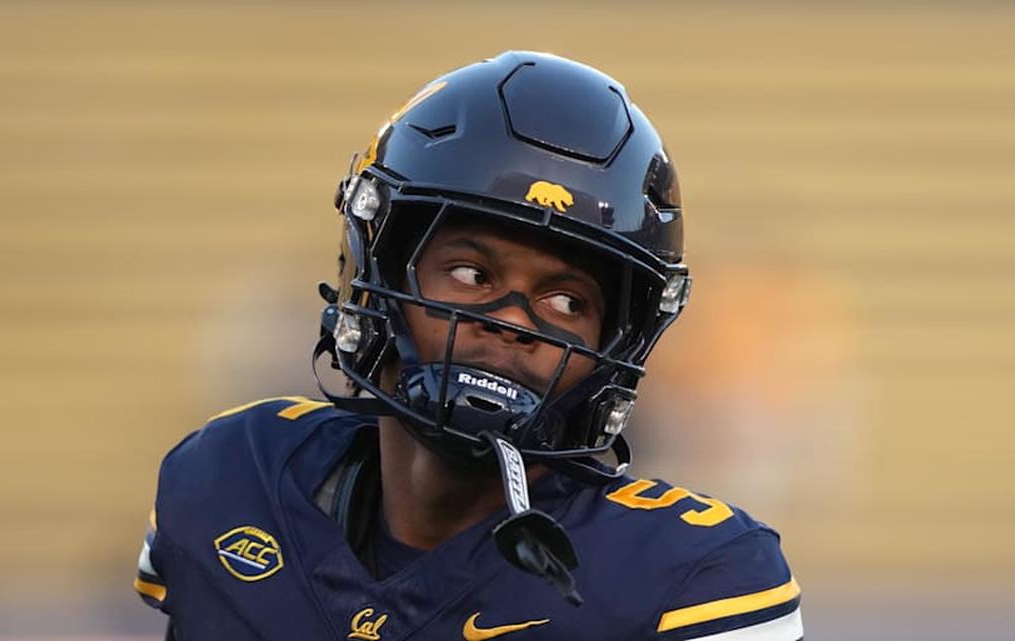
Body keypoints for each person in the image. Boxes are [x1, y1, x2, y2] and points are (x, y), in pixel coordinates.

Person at [134, 51, 803, 641]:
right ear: (381, 276)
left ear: (616, 341)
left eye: (566, 301)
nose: (510, 320)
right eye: (471, 274)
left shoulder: (692, 579)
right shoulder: (231, 477)